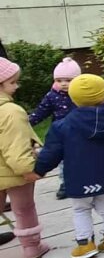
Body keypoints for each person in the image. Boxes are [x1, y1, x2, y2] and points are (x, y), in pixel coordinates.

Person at [31, 74, 104, 258]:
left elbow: (52, 152)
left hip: (79, 177)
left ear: (74, 98)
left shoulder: (63, 126)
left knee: (81, 209)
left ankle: (85, 244)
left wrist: (39, 170)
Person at [0, 58, 49, 258]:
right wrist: (28, 169)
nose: (16, 86)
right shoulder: (11, 111)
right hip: (15, 173)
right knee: (24, 210)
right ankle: (31, 247)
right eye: (12, 82)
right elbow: (16, 145)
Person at [27, 56, 81, 200]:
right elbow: (41, 111)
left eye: (68, 80)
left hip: (80, 132)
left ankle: (83, 178)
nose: (63, 84)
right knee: (63, 159)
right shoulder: (52, 96)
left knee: (80, 157)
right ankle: (66, 184)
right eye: (59, 80)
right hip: (61, 134)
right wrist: (27, 122)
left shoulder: (81, 94)